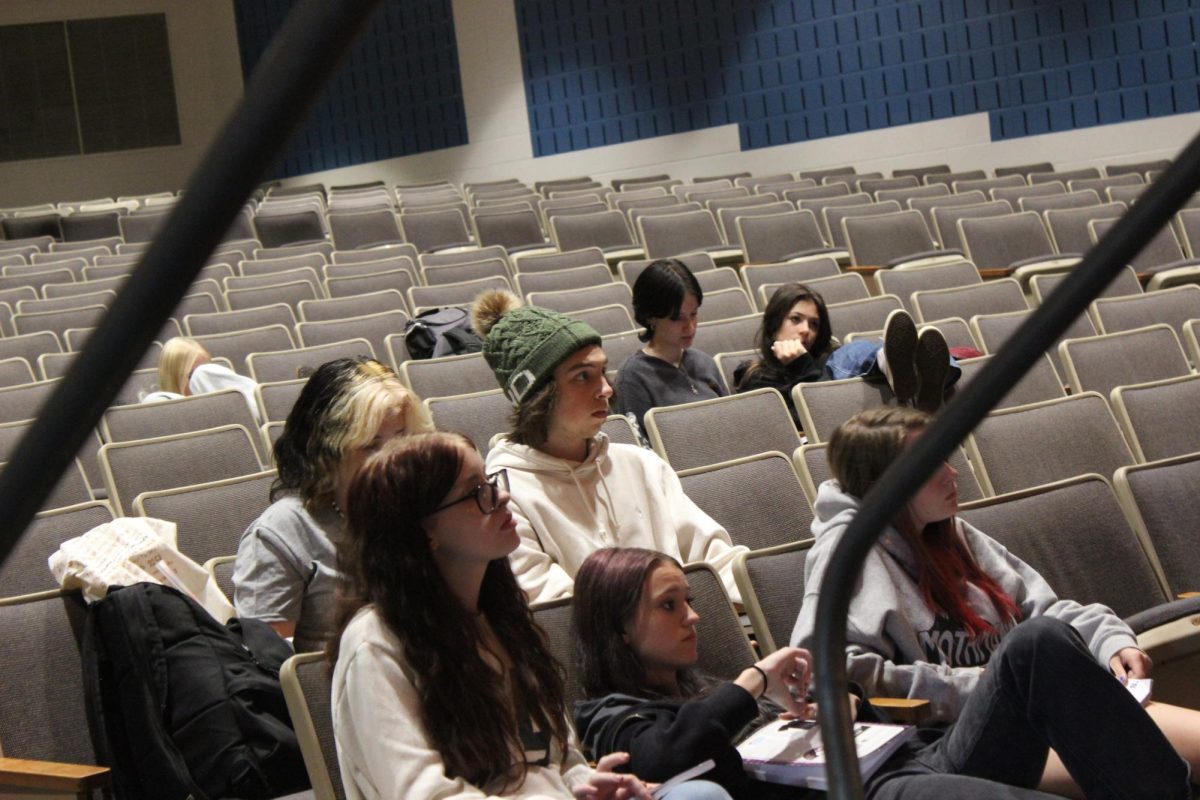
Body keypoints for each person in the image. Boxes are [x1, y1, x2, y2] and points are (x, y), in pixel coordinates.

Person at [792, 406, 1200, 794]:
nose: (952, 474)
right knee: (1036, 646)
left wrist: (1112, 641)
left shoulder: (955, 534)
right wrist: (983, 683)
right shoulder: (847, 552)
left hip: (1027, 714)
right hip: (942, 742)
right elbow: (832, 669)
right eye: (934, 464)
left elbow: (1047, 610)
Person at [577, 547, 1192, 800]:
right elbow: (666, 759)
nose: (692, 616)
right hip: (870, 795)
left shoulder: (702, 684)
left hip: (913, 757)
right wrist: (755, 678)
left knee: (1041, 641)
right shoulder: (608, 717)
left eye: (689, 599)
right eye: (669, 606)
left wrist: (840, 703)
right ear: (618, 628)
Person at [330, 432, 726, 800]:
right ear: (422, 531)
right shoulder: (375, 646)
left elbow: (555, 759)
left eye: (492, 481)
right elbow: (424, 793)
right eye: (476, 492)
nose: (501, 497)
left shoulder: (501, 621)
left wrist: (585, 784)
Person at [470, 289, 746, 605]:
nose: (605, 389)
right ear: (537, 395)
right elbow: (555, 609)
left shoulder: (641, 464)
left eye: (602, 371)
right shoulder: (506, 497)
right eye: (582, 377)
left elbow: (714, 558)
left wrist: (770, 591)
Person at [232, 356, 432, 652]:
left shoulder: (424, 506)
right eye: (370, 446)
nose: (393, 458)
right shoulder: (282, 533)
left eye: (401, 437)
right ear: (327, 453)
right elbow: (272, 666)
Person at [733, 285, 956, 426]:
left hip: (893, 415)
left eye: (814, 324)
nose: (805, 330)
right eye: (796, 319)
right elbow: (810, 418)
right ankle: (892, 363)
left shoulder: (825, 356)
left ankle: (935, 378)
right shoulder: (757, 378)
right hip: (852, 432)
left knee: (913, 346)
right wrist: (801, 365)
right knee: (851, 352)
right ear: (773, 325)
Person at [616, 258, 725, 437]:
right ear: (651, 317)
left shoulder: (704, 362)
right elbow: (642, 450)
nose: (690, 327)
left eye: (694, 314)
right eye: (677, 318)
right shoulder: (633, 377)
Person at [143, 336, 262, 423]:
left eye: (208, 367)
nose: (205, 377)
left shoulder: (207, 379)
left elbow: (258, 413)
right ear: (174, 378)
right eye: (192, 374)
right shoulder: (158, 402)